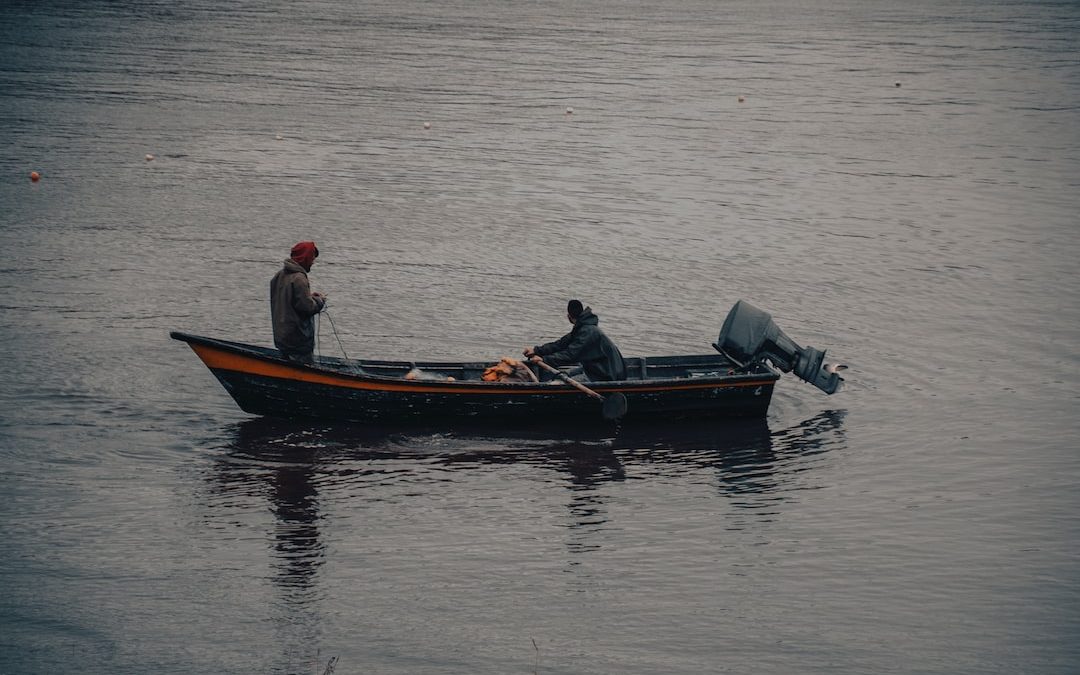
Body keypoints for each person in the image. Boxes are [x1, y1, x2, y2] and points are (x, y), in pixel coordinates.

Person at [523, 299, 627, 381]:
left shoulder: (587, 331)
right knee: (564, 375)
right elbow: (560, 344)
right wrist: (536, 350)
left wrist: (544, 360)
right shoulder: (582, 328)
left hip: (606, 373)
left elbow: (570, 355)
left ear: (569, 316)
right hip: (595, 368)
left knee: (561, 382)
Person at [270, 241, 326, 365]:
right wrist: (319, 301)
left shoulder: (278, 276)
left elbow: (290, 301)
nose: (313, 262)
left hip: (282, 339)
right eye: (312, 258)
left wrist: (309, 297)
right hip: (298, 341)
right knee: (307, 372)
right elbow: (307, 308)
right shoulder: (299, 278)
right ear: (304, 258)